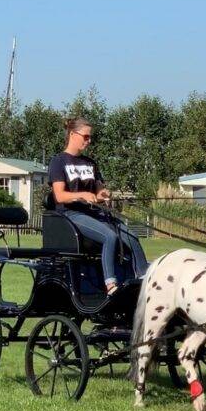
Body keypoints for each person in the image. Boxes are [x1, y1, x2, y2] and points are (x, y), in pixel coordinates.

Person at [47, 117, 147, 294]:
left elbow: (99, 192)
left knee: (131, 235)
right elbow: (60, 196)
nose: (89, 140)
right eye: (86, 136)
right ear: (72, 134)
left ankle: (143, 278)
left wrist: (104, 195)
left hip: (94, 214)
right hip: (71, 215)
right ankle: (110, 284)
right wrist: (82, 195)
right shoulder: (59, 161)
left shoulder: (90, 163)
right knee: (110, 236)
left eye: (90, 137)